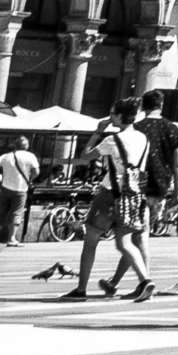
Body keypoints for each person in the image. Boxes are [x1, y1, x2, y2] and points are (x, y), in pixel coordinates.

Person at [59, 99, 156, 301]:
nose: (110, 117)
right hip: (133, 195)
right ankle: (145, 280)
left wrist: (97, 132)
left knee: (91, 240)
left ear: (120, 116)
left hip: (110, 193)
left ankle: (81, 288)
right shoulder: (143, 139)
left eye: (112, 114)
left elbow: (85, 156)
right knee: (124, 242)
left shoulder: (113, 140)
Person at [0, 134, 31, 268]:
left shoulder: (7, 156)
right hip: (20, 189)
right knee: (16, 212)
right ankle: (10, 239)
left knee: (1, 213)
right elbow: (36, 171)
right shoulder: (29, 156)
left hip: (6, 188)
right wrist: (29, 180)